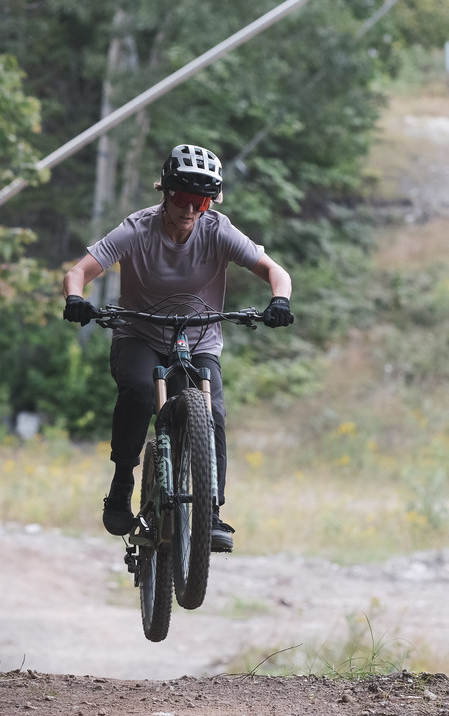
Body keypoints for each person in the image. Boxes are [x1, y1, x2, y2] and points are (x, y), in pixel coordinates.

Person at [62, 143, 294, 552]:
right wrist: (76, 299)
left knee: (214, 411)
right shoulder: (137, 229)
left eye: (201, 201)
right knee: (136, 389)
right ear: (166, 193)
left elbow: (275, 271)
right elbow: (79, 272)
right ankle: (122, 482)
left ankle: (212, 511)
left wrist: (279, 301)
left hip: (200, 337)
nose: (190, 210)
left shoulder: (217, 230)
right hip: (140, 334)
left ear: (211, 203)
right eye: (183, 198)